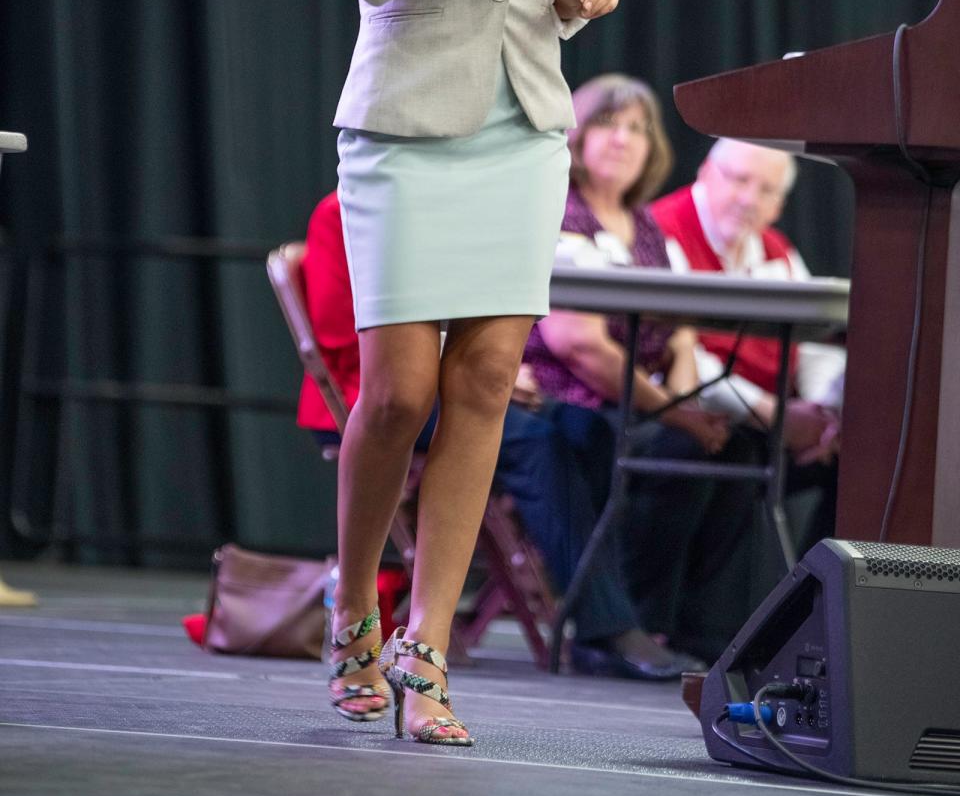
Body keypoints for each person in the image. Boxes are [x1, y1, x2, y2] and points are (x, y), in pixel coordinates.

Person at [293, 0, 620, 744]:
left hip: (523, 126)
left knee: (486, 383)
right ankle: (353, 614)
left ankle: (428, 653)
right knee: (401, 393)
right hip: (404, 128)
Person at [298, 190, 697, 681]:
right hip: (368, 391)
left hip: (456, 384)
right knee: (536, 444)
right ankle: (609, 626)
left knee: (592, 430)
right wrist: (465, 374)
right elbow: (344, 338)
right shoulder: (347, 209)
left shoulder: (460, 206)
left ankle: (614, 613)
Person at [524, 74, 760, 665]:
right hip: (573, 407)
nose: (623, 140)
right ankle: (633, 627)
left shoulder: (648, 225)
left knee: (738, 449)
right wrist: (681, 418)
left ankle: (696, 630)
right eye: (608, 124)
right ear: (576, 134)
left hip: (638, 405)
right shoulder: (558, 212)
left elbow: (681, 330)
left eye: (637, 129)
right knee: (679, 450)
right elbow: (582, 347)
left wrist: (687, 407)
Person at [650, 138, 845, 546]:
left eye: (766, 190)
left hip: (769, 420)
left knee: (860, 461)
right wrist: (774, 415)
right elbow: (679, 357)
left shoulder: (778, 251)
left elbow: (814, 343)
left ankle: (820, 597)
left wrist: (819, 415)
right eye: (739, 180)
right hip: (691, 415)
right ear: (705, 174)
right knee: (733, 457)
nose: (749, 199)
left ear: (779, 206)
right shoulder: (662, 233)